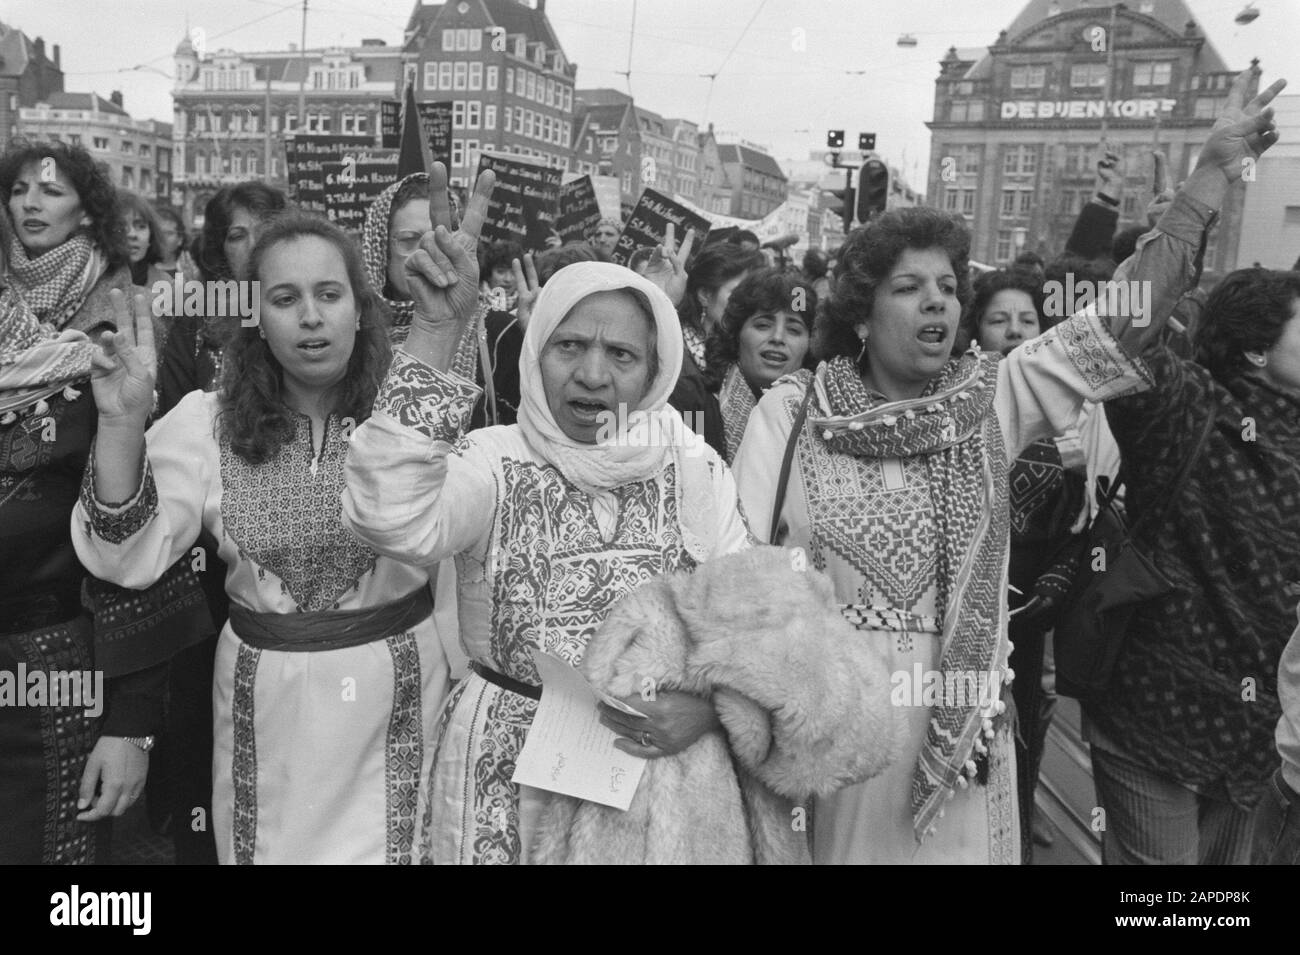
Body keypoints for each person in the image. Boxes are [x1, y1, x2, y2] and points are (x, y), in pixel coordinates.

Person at [730, 73, 1281, 864]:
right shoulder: (792, 414)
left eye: (949, 289)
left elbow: (1121, 326)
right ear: (859, 307)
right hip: (827, 739)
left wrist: (1207, 179)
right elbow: (742, 578)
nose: (937, 305)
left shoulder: (993, 399)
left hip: (958, 735)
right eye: (909, 287)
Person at [341, 165, 760, 864]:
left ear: (656, 370)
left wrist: (708, 709)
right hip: (505, 775)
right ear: (537, 356)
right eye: (569, 346)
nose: (593, 374)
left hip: (648, 780)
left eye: (621, 353)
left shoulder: (691, 468)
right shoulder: (493, 459)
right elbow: (388, 515)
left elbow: (751, 627)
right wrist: (439, 331)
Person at [73, 213, 455, 864]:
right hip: (266, 702)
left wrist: (441, 331)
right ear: (255, 318)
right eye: (285, 298)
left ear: (360, 311)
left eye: (329, 295)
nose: (310, 316)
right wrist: (121, 423)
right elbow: (124, 554)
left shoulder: (409, 413)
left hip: (398, 692)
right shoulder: (207, 421)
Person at [0, 139, 202, 864]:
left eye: (49, 191)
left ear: (88, 208)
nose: (30, 203)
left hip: (52, 675)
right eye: (19, 188)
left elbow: (142, 537)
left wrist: (133, 722)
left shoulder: (121, 328)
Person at [1086, 261, 1299, 864]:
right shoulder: (1188, 407)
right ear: (1257, 348)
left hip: (1257, 743)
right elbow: (1121, 334)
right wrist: (1177, 233)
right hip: (1155, 718)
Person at [157, 182, 288, 416]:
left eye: (265, 231)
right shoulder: (194, 320)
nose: (254, 245)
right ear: (221, 249)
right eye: (238, 236)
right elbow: (174, 420)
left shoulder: (309, 311)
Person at [703, 267, 816, 462]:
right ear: (736, 334)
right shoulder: (694, 408)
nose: (778, 338)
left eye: (794, 330)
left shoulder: (823, 420)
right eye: (763, 325)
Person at [668, 241, 763, 456]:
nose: (748, 304)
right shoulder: (676, 359)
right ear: (704, 295)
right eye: (737, 293)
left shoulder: (739, 355)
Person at [118, 190, 169, 297]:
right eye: (121, 227)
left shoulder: (168, 286)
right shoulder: (90, 283)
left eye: (141, 226)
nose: (132, 234)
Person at [151, 205, 190, 280]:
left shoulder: (187, 271)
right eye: (158, 233)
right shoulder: (141, 271)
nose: (162, 238)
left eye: (169, 233)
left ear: (180, 240)